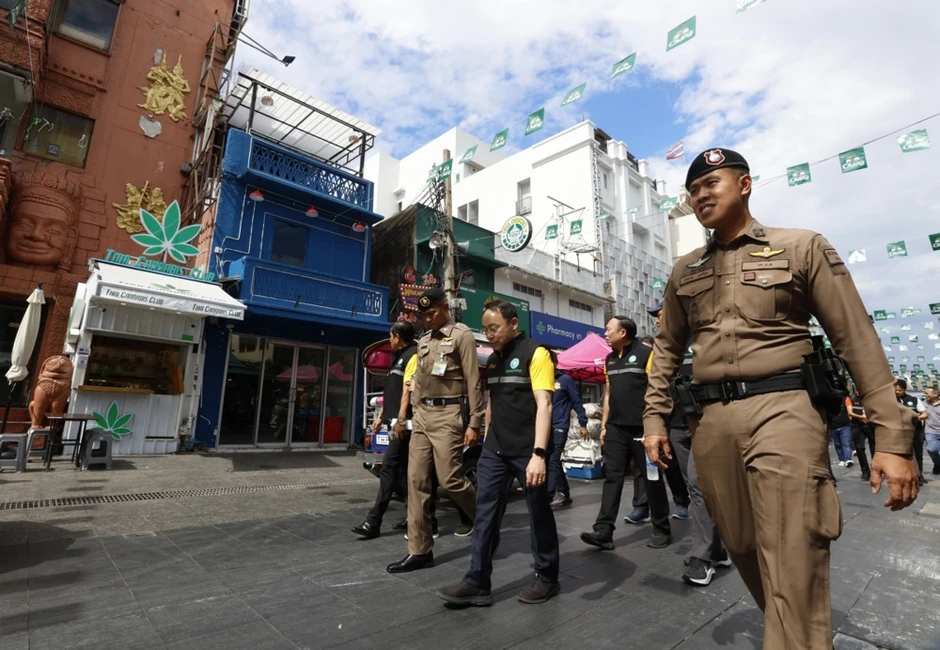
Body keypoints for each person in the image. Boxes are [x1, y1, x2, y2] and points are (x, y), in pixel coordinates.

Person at [643, 148, 919, 650]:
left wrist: (892, 436)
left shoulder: (801, 247)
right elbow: (666, 348)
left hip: (784, 409)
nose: (701, 194)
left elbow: (855, 337)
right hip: (711, 423)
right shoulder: (685, 270)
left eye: (713, 183)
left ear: (745, 184)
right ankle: (800, 635)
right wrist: (655, 419)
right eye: (694, 189)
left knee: (792, 545)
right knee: (744, 542)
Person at [436, 300, 560, 606]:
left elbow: (544, 404)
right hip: (495, 450)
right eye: (486, 329)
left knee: (539, 514)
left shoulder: (536, 354)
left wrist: (539, 454)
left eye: (495, 328)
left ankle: (546, 577)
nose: (489, 334)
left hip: (529, 451)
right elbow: (492, 403)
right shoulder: (492, 360)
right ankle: (477, 581)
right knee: (485, 513)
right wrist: (485, 438)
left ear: (513, 324)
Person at [387, 287, 481, 574]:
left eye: (431, 314)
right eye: (422, 315)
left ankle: (485, 515)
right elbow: (418, 379)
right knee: (416, 482)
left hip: (448, 414)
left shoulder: (462, 335)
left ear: (445, 308)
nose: (426, 320)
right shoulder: (423, 340)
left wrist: (474, 422)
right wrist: (407, 415)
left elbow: (474, 380)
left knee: (450, 479)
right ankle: (419, 550)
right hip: (423, 415)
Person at [650, 302, 731, 587]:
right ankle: (718, 550)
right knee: (696, 490)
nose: (659, 320)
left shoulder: (703, 337)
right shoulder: (661, 350)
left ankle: (702, 558)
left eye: (663, 314)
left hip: (706, 424)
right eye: (657, 317)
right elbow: (656, 389)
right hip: (676, 428)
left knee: (699, 487)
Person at [581, 316, 672, 551]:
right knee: (612, 476)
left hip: (644, 429)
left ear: (623, 332)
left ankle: (661, 528)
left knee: (652, 478)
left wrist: (657, 425)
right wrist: (604, 425)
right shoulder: (610, 359)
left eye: (608, 329)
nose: (605, 333)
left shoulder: (646, 353)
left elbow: (657, 388)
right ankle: (604, 531)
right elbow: (609, 393)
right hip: (616, 429)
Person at [352, 322, 439, 539]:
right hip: (396, 423)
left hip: (407, 426)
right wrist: (381, 415)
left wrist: (400, 419)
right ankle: (424, 518)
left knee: (390, 469)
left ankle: (373, 521)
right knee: (406, 473)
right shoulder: (397, 358)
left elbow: (408, 392)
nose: (389, 339)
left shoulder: (412, 356)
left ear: (398, 336)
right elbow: (392, 390)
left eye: (391, 336)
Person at [547, 351, 588, 508]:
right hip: (546, 427)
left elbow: (577, 401)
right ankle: (564, 493)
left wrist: (583, 423)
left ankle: (552, 495)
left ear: (555, 363)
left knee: (553, 460)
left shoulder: (565, 380)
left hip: (559, 426)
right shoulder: (543, 380)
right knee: (552, 461)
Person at [895, 378, 927, 485]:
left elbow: (924, 414)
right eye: (895, 390)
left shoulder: (914, 400)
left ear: (904, 389)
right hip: (899, 432)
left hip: (915, 431)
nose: (897, 392)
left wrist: (917, 417)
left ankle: (919, 475)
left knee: (918, 453)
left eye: (899, 390)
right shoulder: (891, 401)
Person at [847, 391, 873, 481]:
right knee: (859, 448)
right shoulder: (851, 398)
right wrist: (862, 417)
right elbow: (850, 412)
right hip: (857, 425)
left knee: (875, 448)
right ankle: (865, 471)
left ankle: (876, 470)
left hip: (870, 425)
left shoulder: (870, 396)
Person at [829, 397, 854, 467]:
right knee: (838, 444)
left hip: (845, 426)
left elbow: (849, 410)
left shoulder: (844, 399)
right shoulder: (828, 403)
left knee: (846, 443)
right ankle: (842, 459)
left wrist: (850, 420)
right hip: (833, 427)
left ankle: (848, 459)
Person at [922, 387, 940, 475]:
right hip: (931, 431)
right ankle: (938, 463)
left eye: (927, 393)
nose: (925, 395)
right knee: (931, 450)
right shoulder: (924, 403)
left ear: (935, 394)